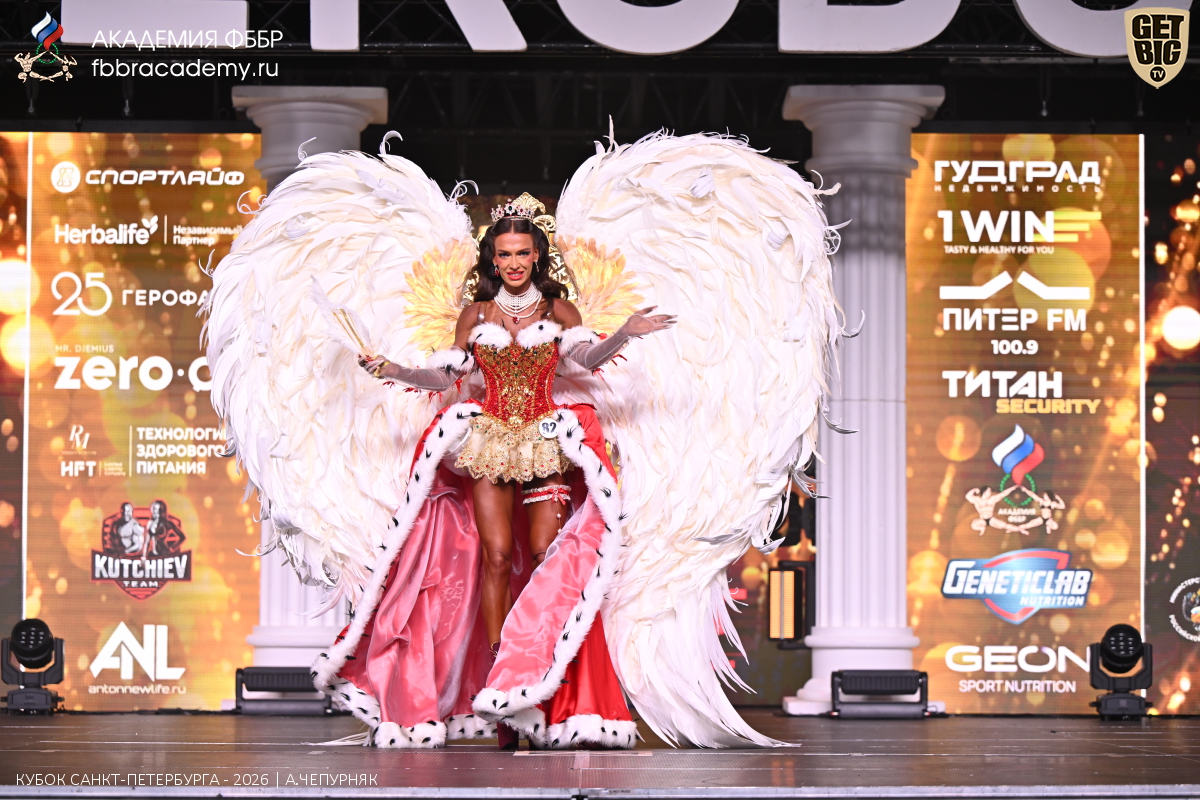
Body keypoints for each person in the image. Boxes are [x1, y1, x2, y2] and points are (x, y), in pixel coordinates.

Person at [327, 195, 672, 749]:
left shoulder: (560, 311)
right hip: (488, 443)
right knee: (494, 556)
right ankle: (497, 684)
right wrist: (390, 369)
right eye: (504, 254)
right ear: (493, 259)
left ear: (537, 256)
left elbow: (584, 361)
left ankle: (533, 675)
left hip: (544, 444)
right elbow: (445, 379)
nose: (513, 263)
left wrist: (626, 332)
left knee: (545, 554)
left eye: (522, 253)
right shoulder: (477, 315)